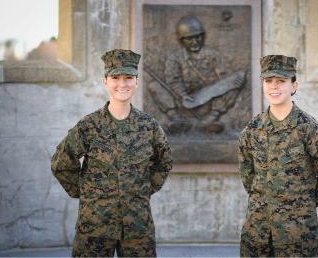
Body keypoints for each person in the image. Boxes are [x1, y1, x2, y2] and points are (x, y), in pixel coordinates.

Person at [51, 49, 173, 257]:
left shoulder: (149, 126)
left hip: (137, 227)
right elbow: (61, 163)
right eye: (115, 78)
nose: (122, 84)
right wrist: (86, 194)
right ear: (105, 81)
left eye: (128, 78)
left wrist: (142, 191)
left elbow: (164, 162)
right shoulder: (89, 126)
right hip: (95, 227)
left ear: (136, 82)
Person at [238, 55, 318, 257]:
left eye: (281, 81)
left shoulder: (312, 132)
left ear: (295, 86)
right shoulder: (252, 130)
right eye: (268, 81)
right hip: (258, 232)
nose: (274, 87)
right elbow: (248, 176)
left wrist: (300, 205)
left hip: (297, 234)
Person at [147, 16, 246, 134]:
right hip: (183, 102)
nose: (195, 41)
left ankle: (209, 120)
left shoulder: (212, 54)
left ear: (203, 36)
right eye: (189, 38)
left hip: (209, 101)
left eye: (197, 37)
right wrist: (183, 95)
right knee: (154, 85)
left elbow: (225, 76)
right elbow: (173, 81)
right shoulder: (174, 58)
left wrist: (233, 82)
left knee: (235, 84)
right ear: (181, 40)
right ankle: (177, 119)